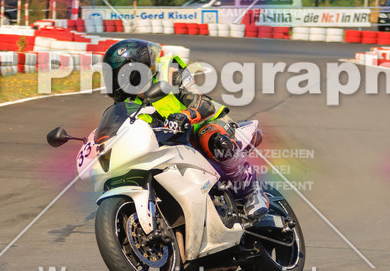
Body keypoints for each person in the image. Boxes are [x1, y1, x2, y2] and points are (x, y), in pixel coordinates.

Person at [101, 39, 269, 219]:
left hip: (204, 126)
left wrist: (186, 115)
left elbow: (200, 100)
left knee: (210, 137)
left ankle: (252, 192)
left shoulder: (170, 71)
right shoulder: (128, 103)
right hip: (171, 144)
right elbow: (117, 130)